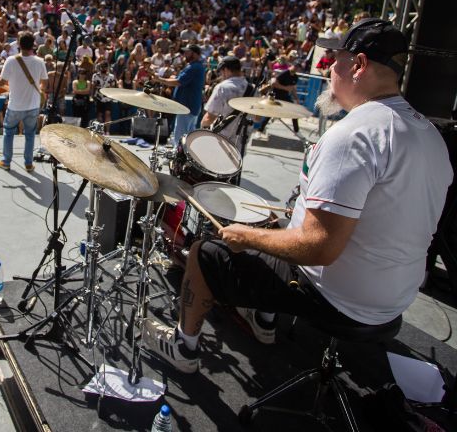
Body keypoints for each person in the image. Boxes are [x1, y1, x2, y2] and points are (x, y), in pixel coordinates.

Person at [142, 19, 453, 375]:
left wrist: (247, 236)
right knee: (282, 225)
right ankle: (263, 318)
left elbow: (319, 248)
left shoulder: (355, 134)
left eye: (335, 60)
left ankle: (184, 346)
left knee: (205, 252)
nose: (330, 69)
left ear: (359, 64)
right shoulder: (429, 135)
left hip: (339, 299)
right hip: (395, 298)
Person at [0, 32, 47, 172]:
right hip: (33, 105)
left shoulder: (11, 60)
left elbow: (1, 82)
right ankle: (28, 164)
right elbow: (44, 84)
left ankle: (6, 161)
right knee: (30, 134)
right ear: (33, 44)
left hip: (15, 105)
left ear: (18, 44)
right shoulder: (40, 62)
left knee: (8, 131)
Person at [153, 45, 205, 146]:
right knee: (188, 137)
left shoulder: (193, 67)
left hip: (187, 106)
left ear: (194, 54)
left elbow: (178, 82)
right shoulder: (195, 66)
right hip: (191, 105)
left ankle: (177, 159)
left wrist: (159, 79)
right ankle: (185, 158)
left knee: (180, 137)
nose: (184, 54)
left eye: (187, 52)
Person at [199, 55, 252, 149]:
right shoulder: (253, 89)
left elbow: (209, 118)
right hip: (241, 143)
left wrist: (201, 131)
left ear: (226, 70)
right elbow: (257, 118)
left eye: (221, 72)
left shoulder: (223, 88)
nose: (221, 75)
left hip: (221, 141)